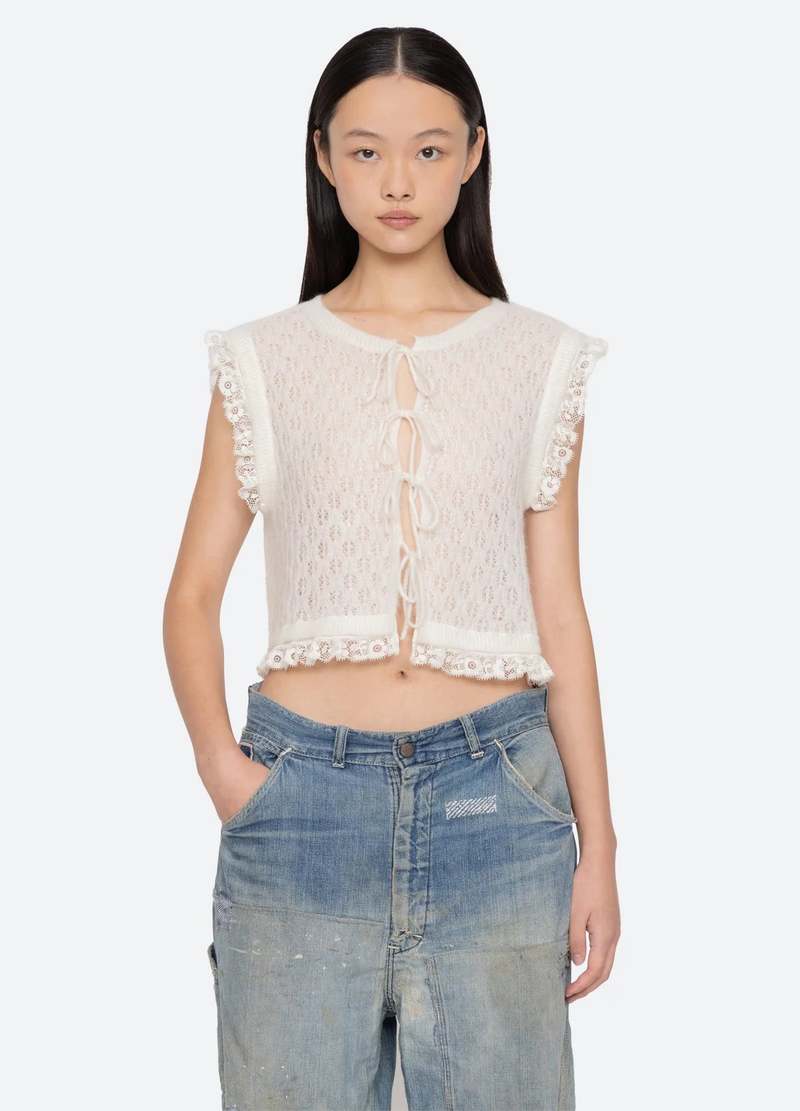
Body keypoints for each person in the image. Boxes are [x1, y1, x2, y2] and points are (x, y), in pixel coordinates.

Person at [163, 25, 620, 1111]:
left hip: (497, 807)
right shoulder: (264, 360)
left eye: (427, 150)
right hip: (298, 805)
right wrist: (228, 774)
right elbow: (191, 595)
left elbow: (559, 613)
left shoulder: (539, 358)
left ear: (472, 154)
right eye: (366, 151)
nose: (398, 182)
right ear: (324, 157)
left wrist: (597, 845)